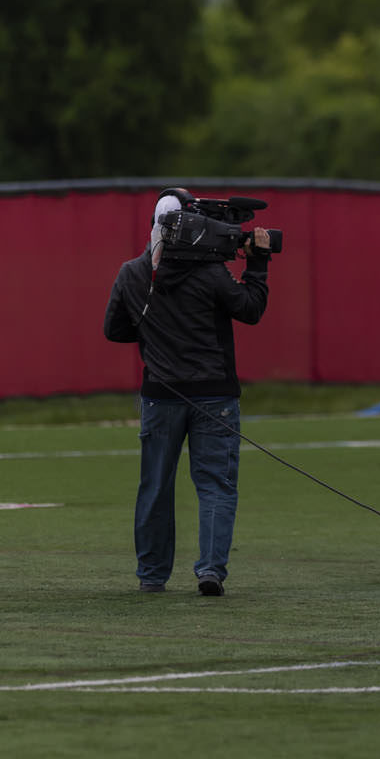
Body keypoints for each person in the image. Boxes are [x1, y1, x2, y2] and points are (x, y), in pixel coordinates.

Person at [103, 191, 272, 595]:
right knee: (215, 485)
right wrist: (259, 265)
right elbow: (250, 309)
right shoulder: (211, 273)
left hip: (160, 394)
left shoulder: (133, 272)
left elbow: (114, 330)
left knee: (156, 485)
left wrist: (153, 336)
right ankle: (210, 571)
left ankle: (151, 575)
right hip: (214, 395)